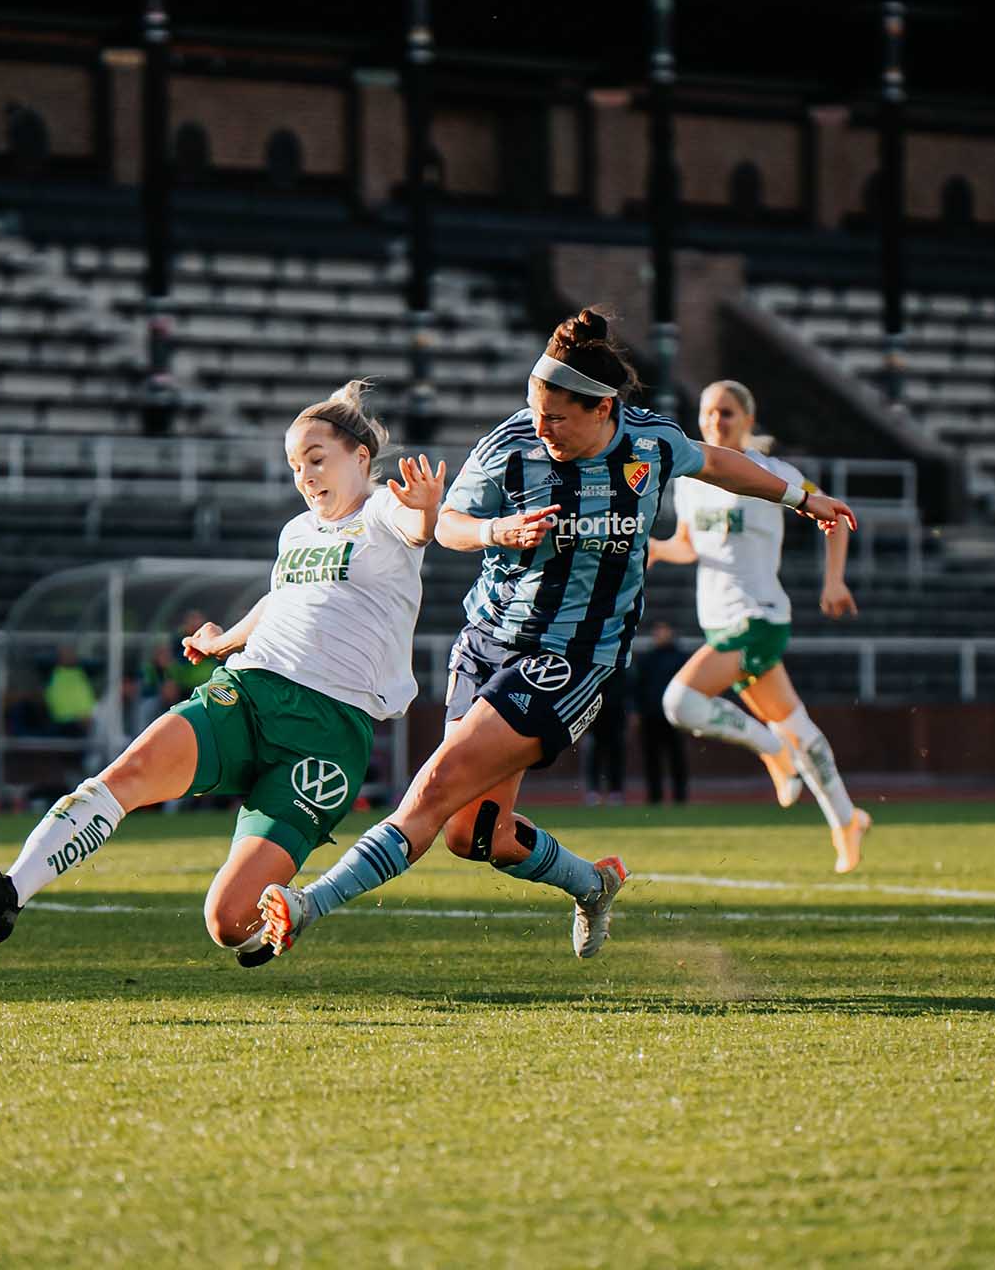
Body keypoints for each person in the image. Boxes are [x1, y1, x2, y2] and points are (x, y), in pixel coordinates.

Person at [255, 308, 857, 961]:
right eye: (535, 410)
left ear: (602, 410)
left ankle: (309, 903)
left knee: (432, 788)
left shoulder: (648, 442)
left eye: (557, 416)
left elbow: (716, 463)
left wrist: (801, 500)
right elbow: (450, 522)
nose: (542, 428)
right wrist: (494, 532)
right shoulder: (512, 445)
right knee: (474, 833)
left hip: (573, 659)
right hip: (488, 640)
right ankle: (593, 885)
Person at [0, 381, 442, 968]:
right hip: (250, 689)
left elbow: (419, 530)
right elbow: (280, 600)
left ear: (360, 458)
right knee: (128, 774)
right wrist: (224, 639)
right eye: (293, 466)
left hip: (327, 734)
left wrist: (426, 506)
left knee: (228, 922)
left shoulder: (384, 508)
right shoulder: (296, 533)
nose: (303, 476)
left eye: (316, 460)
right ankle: (10, 892)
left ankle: (280, 917)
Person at [646, 379, 872, 871]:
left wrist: (834, 581)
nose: (715, 422)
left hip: (758, 619)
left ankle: (772, 752)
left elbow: (833, 514)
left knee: (680, 702)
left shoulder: (773, 474)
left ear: (749, 420)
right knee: (797, 726)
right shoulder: (688, 479)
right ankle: (846, 820)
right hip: (722, 624)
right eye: (708, 413)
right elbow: (689, 544)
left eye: (727, 413)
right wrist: (658, 549)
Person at [632, 620, 688, 805]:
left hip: (675, 716)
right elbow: (638, 687)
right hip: (651, 715)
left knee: (677, 758)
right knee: (652, 759)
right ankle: (654, 797)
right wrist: (636, 712)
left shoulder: (680, 658)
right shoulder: (647, 659)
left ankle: (680, 796)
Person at [581, 668, 626, 806]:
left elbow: (626, 690)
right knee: (593, 755)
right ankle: (593, 791)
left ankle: (615, 791)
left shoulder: (621, 666)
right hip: (595, 719)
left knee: (615, 755)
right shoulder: (593, 666)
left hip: (614, 717)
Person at [44, 646, 96, 736]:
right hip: (60, 721)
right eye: (65, 654)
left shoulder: (84, 671)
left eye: (70, 654)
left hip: (82, 721)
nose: (68, 657)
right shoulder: (51, 672)